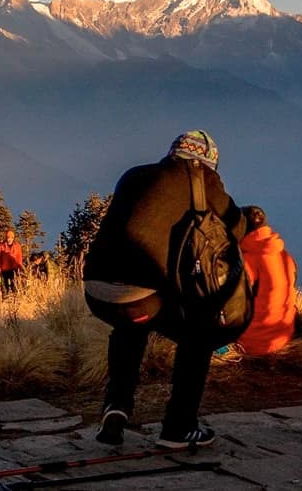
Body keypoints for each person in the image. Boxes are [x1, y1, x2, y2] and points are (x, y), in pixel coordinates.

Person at [84, 130, 244, 450]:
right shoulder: (203, 181)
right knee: (198, 336)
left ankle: (116, 407)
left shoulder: (134, 175)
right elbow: (234, 227)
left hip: (97, 290)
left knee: (129, 327)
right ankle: (179, 428)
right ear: (206, 162)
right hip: (145, 296)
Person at [236, 206, 297, 356]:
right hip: (284, 336)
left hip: (253, 343)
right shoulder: (285, 256)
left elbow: (233, 299)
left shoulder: (249, 259)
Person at [0, 229, 23, 298]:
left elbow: (19, 257)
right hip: (4, 269)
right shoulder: (1, 246)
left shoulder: (17, 246)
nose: (9, 239)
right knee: (4, 286)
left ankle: (15, 299)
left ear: (13, 238)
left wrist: (19, 267)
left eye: (10, 238)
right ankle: (5, 299)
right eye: (8, 238)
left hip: (14, 268)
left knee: (14, 285)